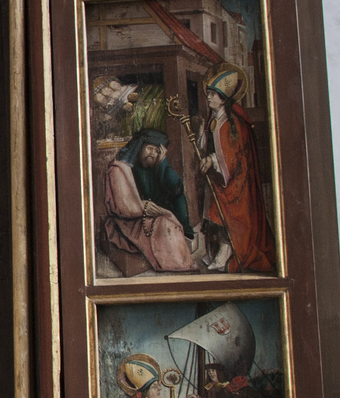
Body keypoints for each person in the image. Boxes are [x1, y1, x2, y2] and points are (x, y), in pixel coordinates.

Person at [198, 64, 275, 273]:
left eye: (213, 95)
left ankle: (224, 256)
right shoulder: (213, 120)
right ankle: (215, 254)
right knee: (213, 216)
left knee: (225, 217)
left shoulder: (233, 124)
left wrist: (212, 160)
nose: (209, 98)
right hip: (219, 179)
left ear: (223, 99)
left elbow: (233, 157)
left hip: (236, 182)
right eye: (208, 94)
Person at [101, 128, 198, 272]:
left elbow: (176, 189)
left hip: (145, 215)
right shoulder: (119, 169)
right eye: (150, 148)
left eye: (157, 151)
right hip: (126, 220)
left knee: (168, 219)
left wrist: (163, 164)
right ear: (139, 146)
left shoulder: (153, 167)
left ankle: (179, 258)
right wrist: (142, 206)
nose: (153, 154)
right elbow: (122, 206)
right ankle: (177, 263)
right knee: (165, 224)